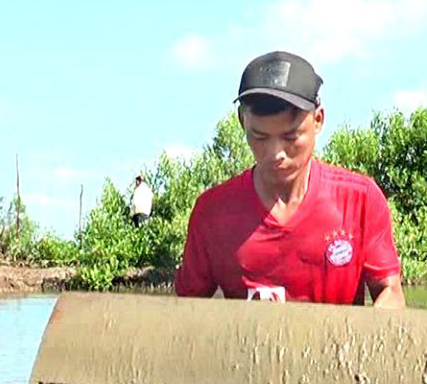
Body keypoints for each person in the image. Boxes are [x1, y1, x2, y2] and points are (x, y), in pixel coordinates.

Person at [174, 51, 406, 309]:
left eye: (290, 136)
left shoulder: (360, 200)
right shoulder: (212, 212)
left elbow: (390, 292)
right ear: (242, 120)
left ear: (318, 120)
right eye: (260, 137)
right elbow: (186, 312)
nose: (276, 154)